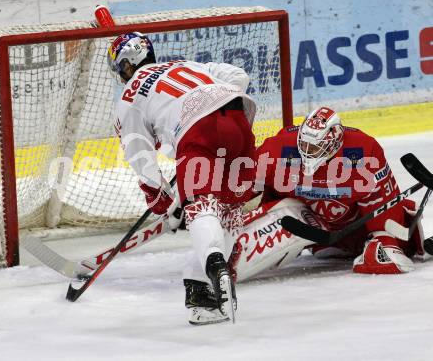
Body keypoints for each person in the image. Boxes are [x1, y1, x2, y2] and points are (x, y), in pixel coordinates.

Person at [106, 32, 257, 324]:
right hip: (238, 119)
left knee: (200, 206)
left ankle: (215, 266)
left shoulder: (129, 95)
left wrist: (157, 192)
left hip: (198, 131)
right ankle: (202, 292)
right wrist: (211, 99)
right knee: (228, 211)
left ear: (126, 65)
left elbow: (137, 148)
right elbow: (239, 76)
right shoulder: (184, 64)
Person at [254, 106, 427, 274]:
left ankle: (361, 242)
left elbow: (379, 197)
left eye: (315, 147)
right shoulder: (279, 147)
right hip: (310, 224)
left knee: (383, 253)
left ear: (333, 143)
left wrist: (383, 236)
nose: (308, 151)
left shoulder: (362, 150)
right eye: (304, 143)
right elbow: (245, 181)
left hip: (358, 228)